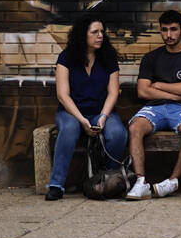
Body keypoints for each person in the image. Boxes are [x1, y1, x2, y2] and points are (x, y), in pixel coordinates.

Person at [125, 9, 181, 200]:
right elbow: (143, 91)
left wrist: (159, 84)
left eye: (173, 30)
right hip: (154, 107)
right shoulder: (151, 58)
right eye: (164, 30)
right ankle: (140, 182)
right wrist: (177, 95)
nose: (169, 35)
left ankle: (172, 181)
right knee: (135, 127)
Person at [45, 16, 126, 200]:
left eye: (102, 32)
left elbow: (113, 92)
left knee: (118, 133)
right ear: (83, 35)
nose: (100, 36)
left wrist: (104, 116)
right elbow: (62, 95)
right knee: (69, 129)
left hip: (101, 110)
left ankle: (106, 179)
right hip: (71, 112)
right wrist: (81, 120)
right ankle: (56, 185)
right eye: (95, 32)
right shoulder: (66, 57)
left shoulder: (109, 58)